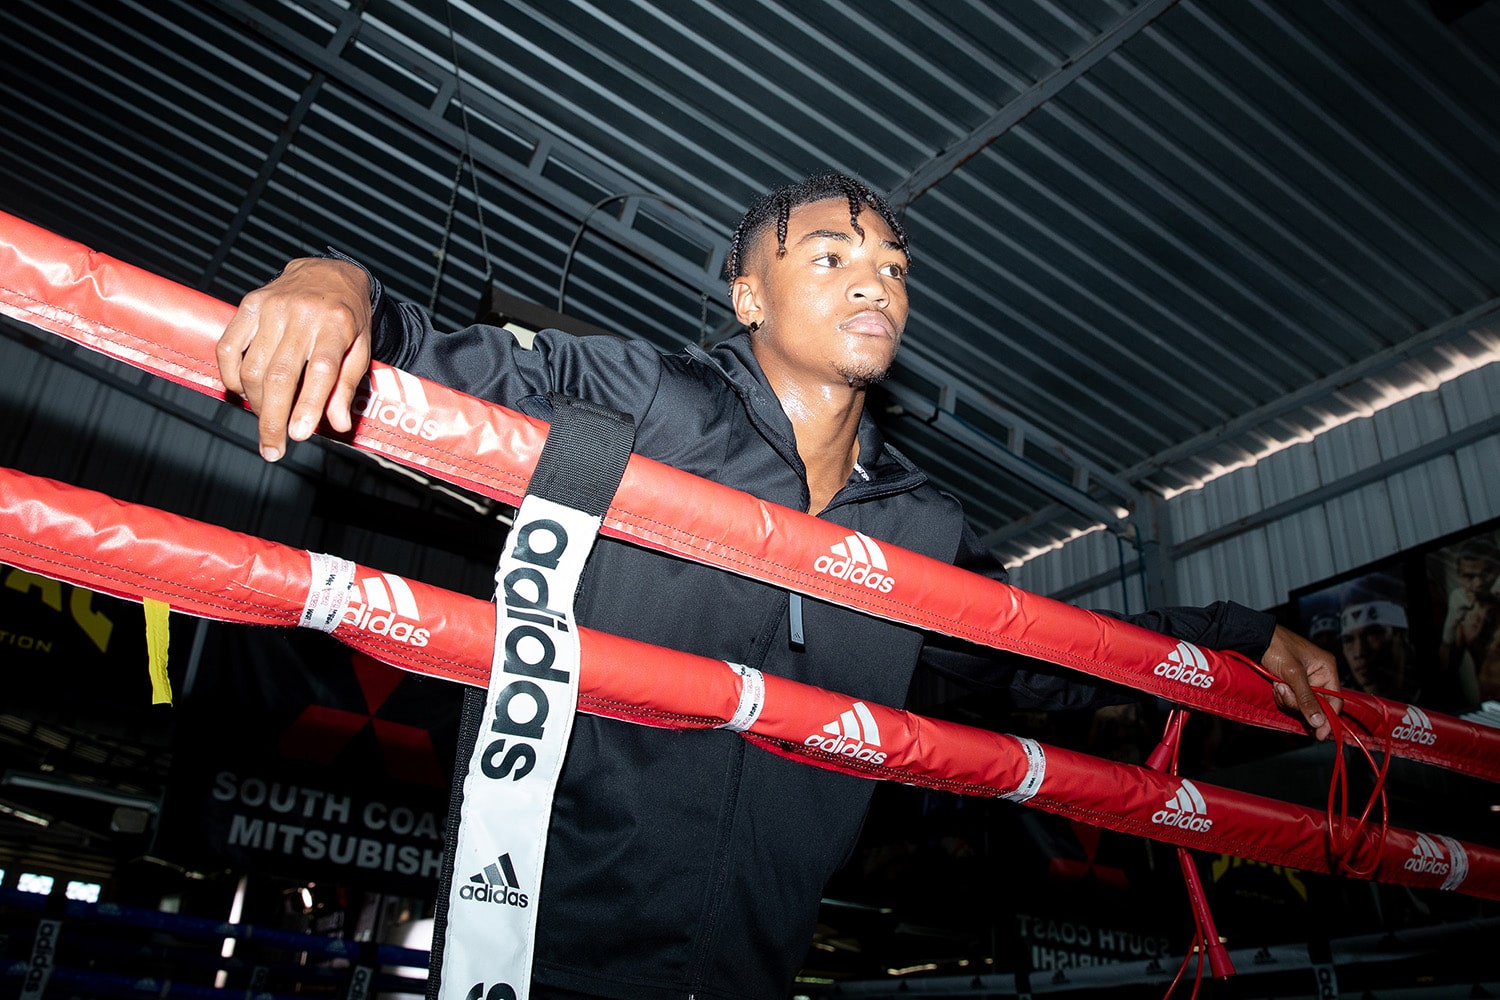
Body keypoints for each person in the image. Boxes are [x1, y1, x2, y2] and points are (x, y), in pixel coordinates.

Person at [217, 174, 1339, 999]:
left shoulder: (919, 524)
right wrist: (334, 285)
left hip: (755, 973)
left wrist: (1241, 640)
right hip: (537, 957)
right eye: (835, 256)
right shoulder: (641, 400)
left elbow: (1044, 653)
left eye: (895, 268)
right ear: (749, 297)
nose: (877, 283)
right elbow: (432, 355)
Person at [1440, 538, 1500, 706]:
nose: (1479, 583)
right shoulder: (1463, 620)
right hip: (1491, 711)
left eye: (1486, 573)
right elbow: (1446, 671)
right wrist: (1449, 626)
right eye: (1470, 576)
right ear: (1460, 574)